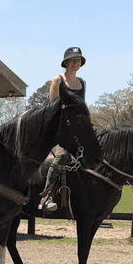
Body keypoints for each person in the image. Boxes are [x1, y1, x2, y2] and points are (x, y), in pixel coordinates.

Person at [39, 46, 87, 213]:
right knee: (62, 155)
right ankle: (47, 196)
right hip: (59, 130)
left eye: (78, 60)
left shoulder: (82, 83)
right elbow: (52, 110)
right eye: (73, 60)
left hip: (78, 131)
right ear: (66, 62)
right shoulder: (58, 80)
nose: (76, 63)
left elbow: (82, 109)